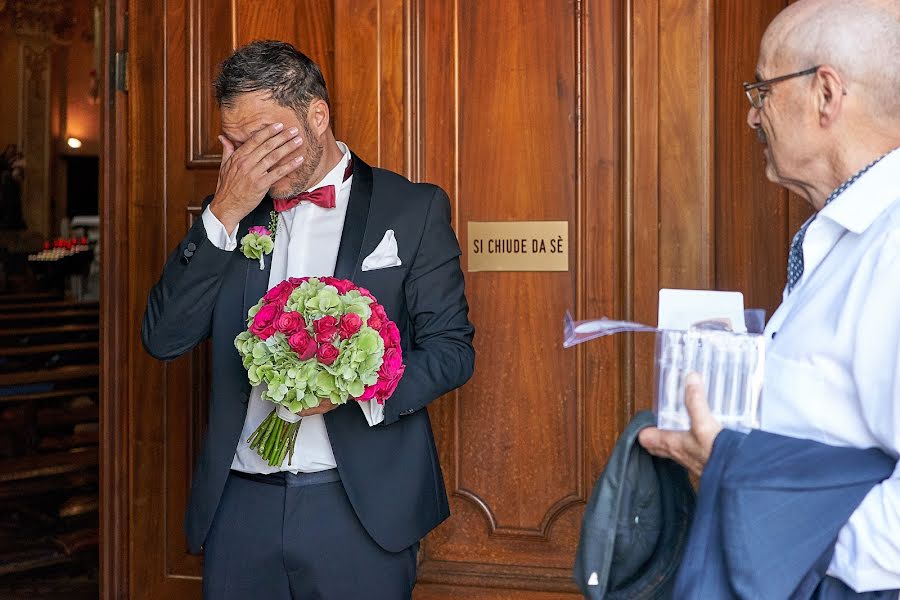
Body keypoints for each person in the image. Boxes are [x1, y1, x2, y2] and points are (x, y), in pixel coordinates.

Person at [142, 40, 475, 599]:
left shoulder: (412, 209)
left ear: (316, 116)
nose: (247, 160)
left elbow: (452, 350)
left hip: (360, 509)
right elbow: (164, 338)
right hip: (239, 507)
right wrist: (224, 212)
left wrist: (356, 386)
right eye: (234, 143)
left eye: (265, 139)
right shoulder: (229, 214)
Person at [639, 0, 900, 593]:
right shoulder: (849, 232)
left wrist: (784, 538)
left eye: (762, 90)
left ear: (826, 95)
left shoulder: (894, 247)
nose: (753, 117)